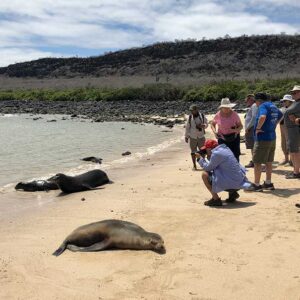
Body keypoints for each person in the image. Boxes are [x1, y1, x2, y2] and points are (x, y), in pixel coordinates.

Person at [196, 139, 251, 207]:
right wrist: (209, 155)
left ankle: (216, 199)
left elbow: (208, 168)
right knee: (224, 170)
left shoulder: (216, 154)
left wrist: (200, 159)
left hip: (233, 184)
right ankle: (233, 194)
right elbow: (216, 165)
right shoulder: (225, 149)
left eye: (206, 149)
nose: (205, 151)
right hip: (240, 182)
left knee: (204, 174)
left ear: (210, 149)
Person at [245, 92, 283, 192]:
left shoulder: (263, 106)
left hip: (262, 138)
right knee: (269, 162)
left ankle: (256, 185)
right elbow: (281, 115)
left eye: (255, 101)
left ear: (258, 100)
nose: (255, 103)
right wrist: (274, 125)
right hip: (272, 137)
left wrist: (257, 128)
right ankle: (268, 183)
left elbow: (262, 117)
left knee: (257, 162)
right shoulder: (273, 106)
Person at [211, 98, 243, 162]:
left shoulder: (234, 114)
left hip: (234, 137)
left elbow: (241, 126)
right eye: (225, 107)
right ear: (221, 107)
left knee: (235, 155)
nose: (227, 109)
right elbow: (212, 124)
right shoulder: (218, 115)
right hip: (222, 138)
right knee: (223, 156)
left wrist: (235, 130)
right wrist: (215, 132)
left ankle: (235, 170)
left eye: (228, 107)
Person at [284, 85, 300, 178]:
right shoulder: (296, 102)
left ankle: (296, 172)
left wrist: (297, 120)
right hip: (292, 130)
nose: (293, 94)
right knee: (294, 151)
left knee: (295, 151)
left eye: (295, 92)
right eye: (292, 93)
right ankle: (296, 170)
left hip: (295, 129)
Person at [185, 104, 208, 170]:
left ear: (197, 110)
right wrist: (186, 136)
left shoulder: (202, 116)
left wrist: (204, 126)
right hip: (192, 137)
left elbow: (206, 124)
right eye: (191, 111)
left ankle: (203, 164)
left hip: (201, 136)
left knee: (203, 151)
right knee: (193, 152)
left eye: (193, 110)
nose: (192, 112)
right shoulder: (189, 118)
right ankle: (194, 165)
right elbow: (187, 128)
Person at [279, 95, 294, 165]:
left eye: (285, 101)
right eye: (282, 101)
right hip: (282, 126)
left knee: (290, 143)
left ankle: (291, 160)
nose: (283, 102)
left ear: (290, 101)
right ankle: (286, 159)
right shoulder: (283, 108)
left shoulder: (293, 108)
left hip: (290, 127)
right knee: (284, 143)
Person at [244, 94, 258, 168]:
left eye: (247, 100)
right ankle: (254, 160)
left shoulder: (254, 106)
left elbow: (254, 117)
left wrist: (248, 127)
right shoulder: (254, 106)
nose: (246, 102)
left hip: (251, 128)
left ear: (251, 99)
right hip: (251, 128)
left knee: (253, 145)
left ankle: (255, 161)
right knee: (252, 146)